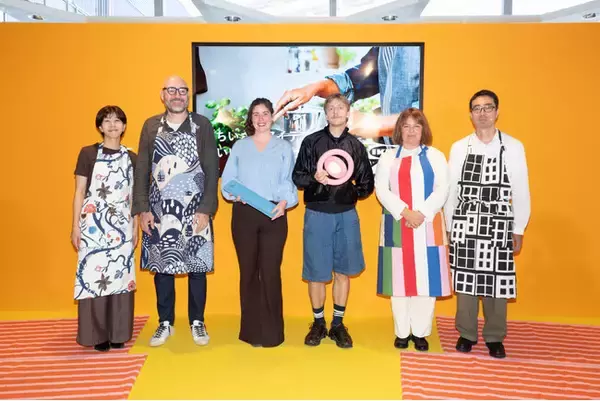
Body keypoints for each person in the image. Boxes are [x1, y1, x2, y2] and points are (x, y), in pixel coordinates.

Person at [133, 75, 219, 347]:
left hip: (195, 208)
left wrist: (206, 208)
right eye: (172, 90)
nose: (177, 95)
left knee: (197, 266)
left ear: (188, 95)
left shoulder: (202, 125)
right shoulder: (150, 126)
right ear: (163, 95)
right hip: (159, 209)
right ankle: (165, 322)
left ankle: (197, 321)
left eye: (182, 90)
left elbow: (211, 168)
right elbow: (142, 169)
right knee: (162, 268)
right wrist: (143, 209)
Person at [444, 90, 531, 359]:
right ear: (470, 114)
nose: (482, 113)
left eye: (488, 107)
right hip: (466, 220)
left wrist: (518, 227)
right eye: (477, 108)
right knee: (466, 280)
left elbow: (520, 189)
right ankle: (466, 333)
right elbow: (452, 190)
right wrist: (449, 226)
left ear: (497, 111)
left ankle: (495, 336)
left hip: (499, 220)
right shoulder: (460, 147)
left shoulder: (513, 146)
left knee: (496, 280)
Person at [292, 93, 374, 349]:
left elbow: (367, 184)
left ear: (348, 113)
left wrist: (349, 192)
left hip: (346, 215)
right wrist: (314, 178)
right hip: (317, 214)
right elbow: (298, 177)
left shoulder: (356, 146)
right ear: (325, 114)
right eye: (331, 108)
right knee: (316, 273)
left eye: (341, 107)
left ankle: (337, 324)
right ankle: (318, 323)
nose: (336, 112)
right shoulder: (311, 142)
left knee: (343, 271)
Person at [221, 98, 298, 348]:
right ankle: (251, 332)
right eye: (256, 114)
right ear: (251, 118)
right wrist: (235, 194)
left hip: (274, 214)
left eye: (265, 113)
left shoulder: (284, 147)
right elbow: (228, 181)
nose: (261, 118)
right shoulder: (240, 147)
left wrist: (285, 203)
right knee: (248, 273)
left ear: (272, 117)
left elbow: (288, 181)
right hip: (244, 215)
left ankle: (273, 333)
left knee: (271, 273)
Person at [374, 108, 451, 351]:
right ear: (399, 130)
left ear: (423, 130)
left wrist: (422, 213)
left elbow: (443, 189)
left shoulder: (436, 156)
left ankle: (420, 333)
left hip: (428, 225)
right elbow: (381, 189)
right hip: (397, 224)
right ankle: (402, 332)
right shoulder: (387, 157)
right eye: (406, 126)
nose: (411, 131)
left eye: (416, 126)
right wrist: (405, 212)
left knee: (427, 282)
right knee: (398, 282)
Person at [71, 105, 138, 352]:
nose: (112, 125)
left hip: (122, 224)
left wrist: (136, 228)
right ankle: (97, 335)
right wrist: (75, 226)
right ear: (100, 126)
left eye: (117, 120)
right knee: (94, 276)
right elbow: (79, 191)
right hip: (92, 226)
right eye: (107, 121)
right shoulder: (88, 154)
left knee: (120, 277)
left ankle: (118, 333)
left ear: (124, 126)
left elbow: (134, 197)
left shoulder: (132, 158)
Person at [274, 46, 421, 142]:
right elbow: (357, 80)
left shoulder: (426, 33)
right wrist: (314, 88)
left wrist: (369, 123)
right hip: (395, 155)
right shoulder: (389, 40)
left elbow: (426, 118)